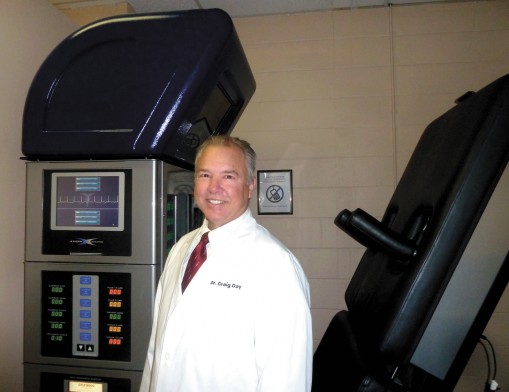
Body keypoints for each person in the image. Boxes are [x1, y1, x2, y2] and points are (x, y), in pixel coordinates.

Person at [139, 135, 312, 392]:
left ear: (251, 185)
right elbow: (157, 351)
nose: (214, 188)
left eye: (228, 176)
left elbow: (286, 379)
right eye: (205, 175)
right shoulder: (181, 249)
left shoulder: (276, 267)